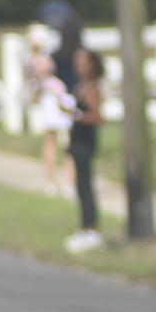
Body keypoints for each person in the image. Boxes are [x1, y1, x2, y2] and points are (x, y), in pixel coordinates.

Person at [64, 49, 104, 253]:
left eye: (84, 63)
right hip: (77, 142)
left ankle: (92, 229)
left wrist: (76, 114)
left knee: (86, 186)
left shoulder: (92, 89)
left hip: (85, 144)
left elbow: (97, 117)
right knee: (79, 186)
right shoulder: (81, 87)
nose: (80, 68)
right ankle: (84, 227)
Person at [29, 52, 75, 197]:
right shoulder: (41, 76)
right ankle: (55, 182)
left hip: (60, 102)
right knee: (57, 142)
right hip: (54, 103)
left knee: (65, 144)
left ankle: (65, 182)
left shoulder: (57, 60)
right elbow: (34, 96)